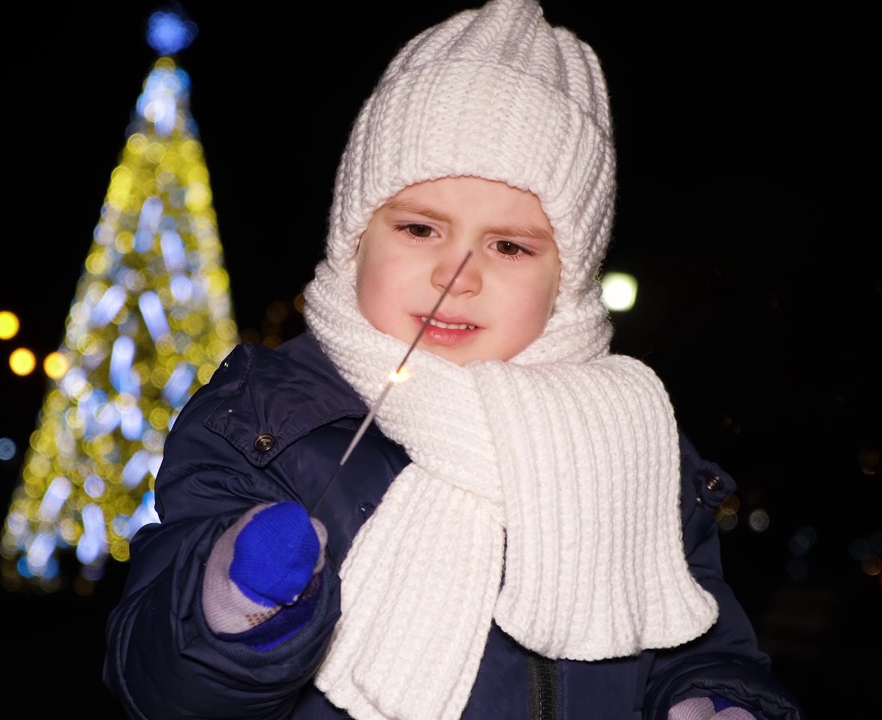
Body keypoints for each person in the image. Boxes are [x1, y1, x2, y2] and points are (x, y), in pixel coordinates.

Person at [102, 0, 805, 718]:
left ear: (567, 278)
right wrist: (231, 605)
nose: (456, 273)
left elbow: (697, 638)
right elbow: (160, 681)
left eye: (509, 246)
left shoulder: (628, 445)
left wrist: (714, 699)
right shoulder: (266, 420)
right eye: (419, 227)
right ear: (355, 236)